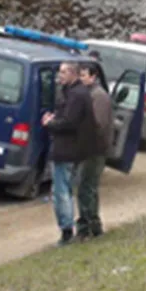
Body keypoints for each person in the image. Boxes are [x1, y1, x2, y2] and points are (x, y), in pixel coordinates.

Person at [43, 62, 101, 245]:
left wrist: (50, 124)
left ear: (72, 74)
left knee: (62, 192)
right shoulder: (71, 92)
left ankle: (66, 230)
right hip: (66, 148)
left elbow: (70, 122)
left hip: (67, 150)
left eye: (62, 72)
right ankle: (66, 227)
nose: (59, 75)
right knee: (60, 190)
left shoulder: (77, 95)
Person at [76, 64, 112, 240]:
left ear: (93, 76)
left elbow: (98, 124)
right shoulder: (88, 95)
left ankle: (88, 225)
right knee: (88, 187)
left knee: (86, 187)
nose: (81, 79)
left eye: (83, 76)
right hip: (87, 148)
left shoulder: (99, 97)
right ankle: (92, 225)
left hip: (94, 149)